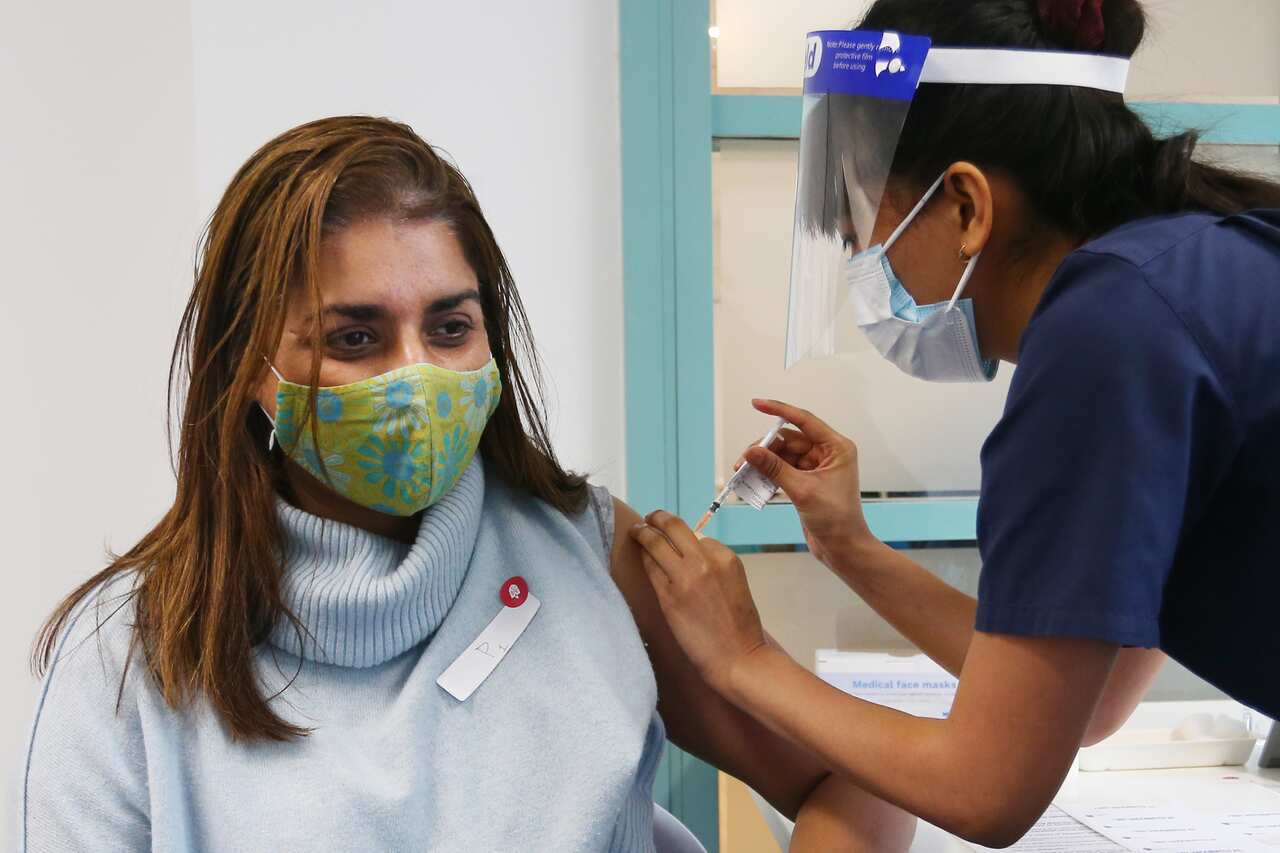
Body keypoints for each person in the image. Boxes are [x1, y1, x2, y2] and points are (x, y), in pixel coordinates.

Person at [15, 117, 913, 852]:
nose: (419, 376)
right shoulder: (128, 654)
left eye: (450, 327)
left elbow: (867, 784)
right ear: (247, 365)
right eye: (354, 338)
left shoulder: (586, 549)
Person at [630, 0, 1280, 847]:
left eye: (869, 233)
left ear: (968, 205)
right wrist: (850, 547)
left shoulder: (1109, 338)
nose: (868, 268)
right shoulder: (1189, 269)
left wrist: (741, 658)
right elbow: (1095, 700)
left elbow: (986, 788)